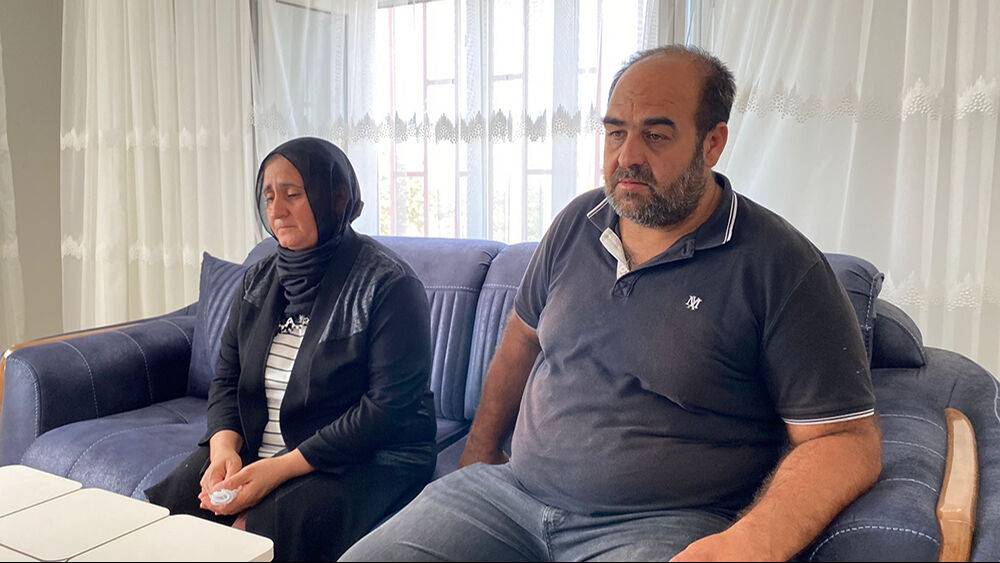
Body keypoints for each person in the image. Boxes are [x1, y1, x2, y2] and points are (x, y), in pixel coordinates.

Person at [341, 45, 881, 562]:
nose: (628, 157)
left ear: (712, 143)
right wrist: (477, 456)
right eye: (616, 132)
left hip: (657, 525)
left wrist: (751, 542)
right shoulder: (577, 224)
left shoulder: (780, 265)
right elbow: (521, 341)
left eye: (656, 135)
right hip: (508, 498)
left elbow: (845, 440)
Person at [146, 137, 437, 562]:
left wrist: (278, 469)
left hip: (370, 455)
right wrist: (223, 449)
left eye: (292, 195)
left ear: (335, 198)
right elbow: (227, 379)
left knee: (252, 536)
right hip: (264, 450)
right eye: (268, 197)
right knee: (171, 519)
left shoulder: (390, 284)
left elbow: (386, 411)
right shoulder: (257, 280)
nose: (277, 211)